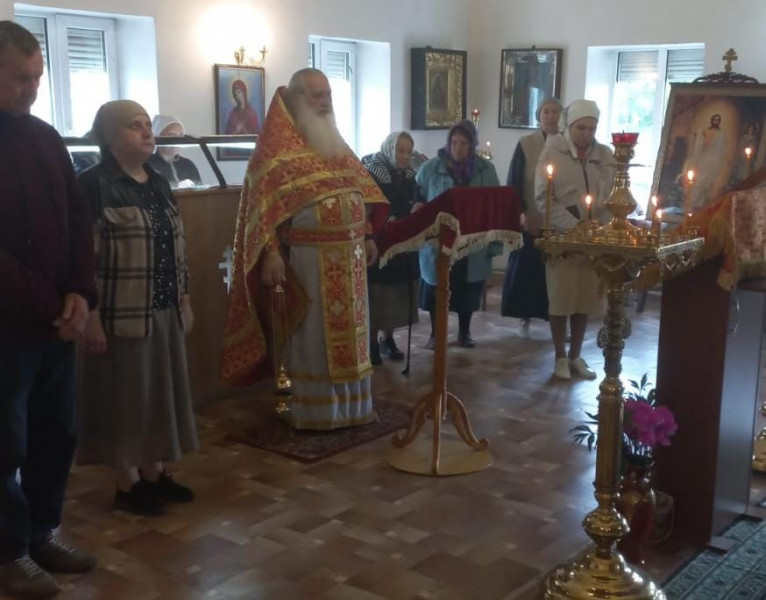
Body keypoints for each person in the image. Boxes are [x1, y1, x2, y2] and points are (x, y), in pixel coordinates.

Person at [222, 68, 387, 430]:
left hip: (351, 262)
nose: (325, 102)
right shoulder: (274, 155)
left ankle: (354, 407)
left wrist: (367, 234)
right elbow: (261, 210)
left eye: (328, 94)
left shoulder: (335, 147)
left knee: (354, 337)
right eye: (317, 95)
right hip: (308, 263)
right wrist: (271, 252)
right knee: (314, 339)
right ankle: (315, 412)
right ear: (297, 100)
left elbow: (359, 194)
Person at [0, 20, 97, 599]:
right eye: (20, 78)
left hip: (56, 323)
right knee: (4, 444)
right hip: (8, 327)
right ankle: (9, 551)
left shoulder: (45, 137)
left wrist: (80, 291)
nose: (32, 89)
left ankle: (42, 532)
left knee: (56, 432)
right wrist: (52, 302)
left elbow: (78, 219)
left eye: (38, 77)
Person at [76, 100, 198, 517]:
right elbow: (82, 259)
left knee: (159, 395)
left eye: (148, 123)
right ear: (111, 136)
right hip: (120, 314)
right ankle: (127, 483)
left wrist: (184, 298)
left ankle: (154, 471)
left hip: (163, 307)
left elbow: (177, 245)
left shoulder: (158, 180)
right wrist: (91, 317)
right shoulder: (93, 185)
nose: (147, 132)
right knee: (126, 400)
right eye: (135, 125)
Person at [535, 99, 615, 380]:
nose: (587, 134)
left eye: (592, 128)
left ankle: (576, 355)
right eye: (581, 128)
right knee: (561, 300)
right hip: (564, 240)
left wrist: (601, 226)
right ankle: (560, 356)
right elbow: (544, 199)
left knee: (584, 300)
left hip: (593, 240)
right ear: (570, 126)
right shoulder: (552, 152)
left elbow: (611, 197)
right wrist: (575, 226)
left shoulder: (605, 155)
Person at [416, 119, 503, 349]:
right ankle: (436, 334)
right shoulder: (431, 168)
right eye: (454, 143)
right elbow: (418, 196)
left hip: (471, 240)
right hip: (439, 240)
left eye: (464, 143)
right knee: (437, 287)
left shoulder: (485, 170)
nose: (458, 148)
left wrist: (493, 243)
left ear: (472, 145)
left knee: (468, 289)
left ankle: (465, 332)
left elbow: (495, 205)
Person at [501, 97, 562, 338]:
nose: (551, 116)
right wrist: (522, 214)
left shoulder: (567, 144)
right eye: (546, 111)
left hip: (560, 219)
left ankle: (559, 320)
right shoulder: (526, 144)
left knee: (557, 273)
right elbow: (514, 181)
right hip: (531, 217)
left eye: (555, 112)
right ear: (539, 116)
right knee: (526, 269)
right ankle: (524, 318)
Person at [361, 131, 422, 365]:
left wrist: (416, 206)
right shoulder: (372, 171)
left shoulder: (411, 175)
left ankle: (388, 338)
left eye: (408, 151)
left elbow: (415, 198)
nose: (404, 156)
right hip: (379, 241)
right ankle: (372, 342)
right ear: (389, 148)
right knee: (379, 294)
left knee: (398, 293)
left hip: (403, 241)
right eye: (400, 150)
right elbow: (370, 207)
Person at [680, 113, 730, 210]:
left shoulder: (722, 134)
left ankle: (697, 206)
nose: (716, 121)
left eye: (718, 120)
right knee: (698, 182)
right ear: (712, 120)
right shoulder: (706, 131)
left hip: (714, 163)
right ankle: (690, 205)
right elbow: (703, 145)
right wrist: (699, 136)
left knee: (706, 184)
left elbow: (722, 150)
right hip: (704, 161)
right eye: (714, 119)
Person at [147, 114, 202, 188]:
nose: (177, 140)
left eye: (180, 135)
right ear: (158, 136)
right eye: (171, 135)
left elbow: (200, 190)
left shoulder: (188, 165)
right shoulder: (147, 165)